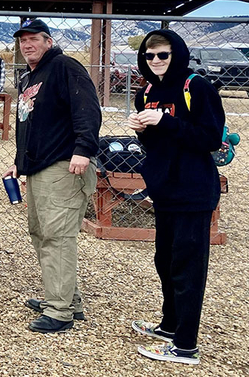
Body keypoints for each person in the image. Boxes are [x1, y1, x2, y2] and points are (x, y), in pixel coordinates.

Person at [127, 30, 225, 365]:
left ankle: (185, 346)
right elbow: (157, 144)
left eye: (163, 55)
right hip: (165, 189)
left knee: (188, 266)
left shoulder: (196, 87)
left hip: (193, 189)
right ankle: (170, 326)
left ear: (177, 54)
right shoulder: (147, 92)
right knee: (165, 260)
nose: (155, 61)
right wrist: (143, 130)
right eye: (149, 55)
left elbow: (210, 138)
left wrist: (166, 121)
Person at [0, 18, 100, 333]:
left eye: (34, 39)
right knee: (42, 234)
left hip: (64, 165)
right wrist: (19, 162)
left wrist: (83, 149)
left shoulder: (64, 67)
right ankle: (68, 299)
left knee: (57, 238)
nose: (27, 44)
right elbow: (30, 124)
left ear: (48, 41)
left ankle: (60, 311)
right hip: (39, 168)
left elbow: (87, 109)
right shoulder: (30, 76)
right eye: (23, 40)